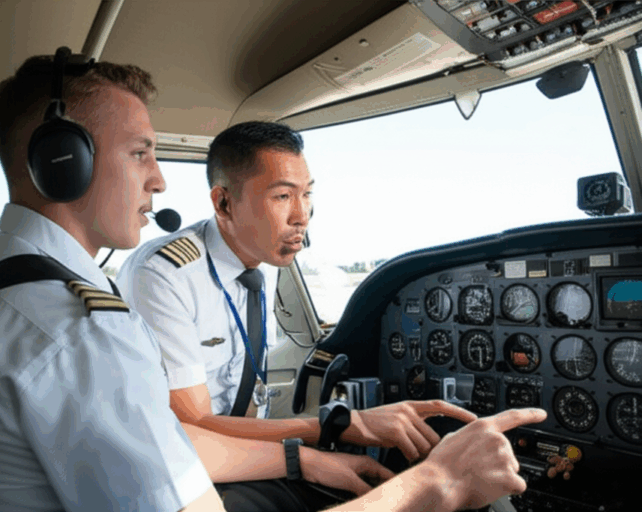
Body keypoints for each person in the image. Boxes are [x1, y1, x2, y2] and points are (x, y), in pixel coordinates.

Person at [0, 52, 547, 512]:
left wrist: (315, 447)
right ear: (60, 160)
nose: (159, 180)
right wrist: (435, 485)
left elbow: (168, 439)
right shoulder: (72, 334)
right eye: (139, 152)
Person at [114, 121, 545, 510]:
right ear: (224, 203)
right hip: (196, 477)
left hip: (256, 460)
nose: (302, 215)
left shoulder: (259, 263)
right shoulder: (166, 274)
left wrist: (313, 451)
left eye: (307, 194)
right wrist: (339, 426)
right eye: (283, 195)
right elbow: (192, 426)